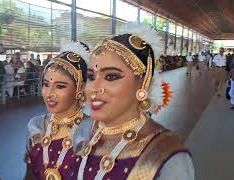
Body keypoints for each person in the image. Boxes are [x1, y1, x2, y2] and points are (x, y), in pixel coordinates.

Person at [72, 23, 194, 180]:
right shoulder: (84, 130)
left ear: (144, 83)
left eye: (111, 77)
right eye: (91, 77)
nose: (93, 88)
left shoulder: (166, 155)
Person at [25, 41, 90, 179]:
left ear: (81, 88)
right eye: (46, 84)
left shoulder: (93, 131)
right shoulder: (36, 125)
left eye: (60, 86)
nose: (49, 94)